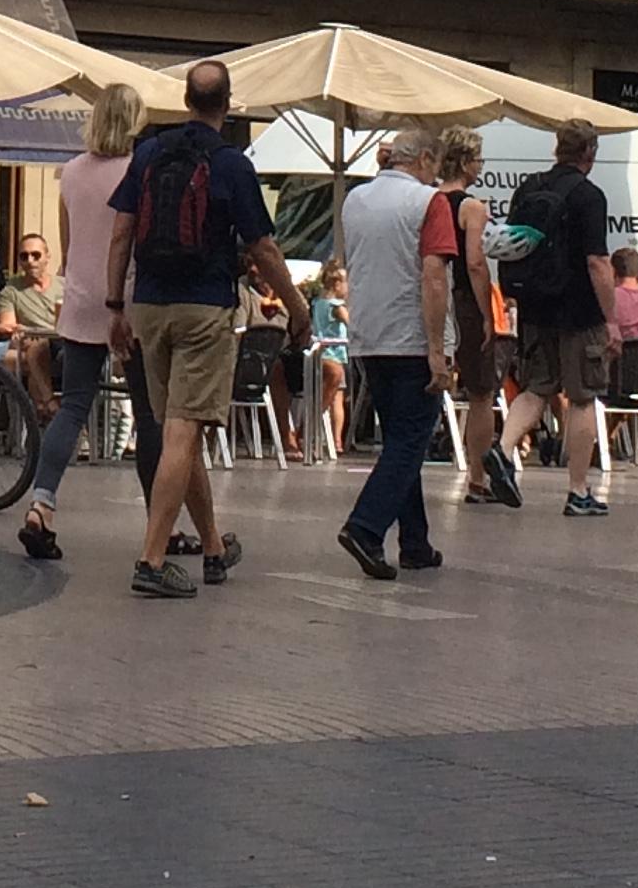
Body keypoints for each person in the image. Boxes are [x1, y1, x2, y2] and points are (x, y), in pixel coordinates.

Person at [106, 61, 307, 598]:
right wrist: (295, 305)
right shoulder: (232, 163)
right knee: (183, 431)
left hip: (148, 306)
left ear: (186, 99)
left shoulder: (148, 154)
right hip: (204, 309)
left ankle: (214, 546)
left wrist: (114, 306)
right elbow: (262, 247)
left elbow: (121, 231)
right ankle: (151, 560)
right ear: (228, 102)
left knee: (180, 428)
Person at [18, 82, 146, 561]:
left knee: (73, 407)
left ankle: (41, 503)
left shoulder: (69, 172)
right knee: (149, 414)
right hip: (127, 300)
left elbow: (67, 246)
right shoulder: (140, 170)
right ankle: (162, 522)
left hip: (80, 299)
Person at [334, 129, 456, 581]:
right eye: (435, 164)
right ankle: (365, 527)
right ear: (424, 158)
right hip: (411, 337)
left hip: (368, 335)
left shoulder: (355, 200)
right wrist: (437, 350)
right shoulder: (429, 202)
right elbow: (434, 277)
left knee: (399, 437)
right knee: (411, 441)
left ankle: (415, 542)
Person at [496, 119, 620, 519]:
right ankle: (578, 490)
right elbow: (598, 262)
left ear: (557, 148)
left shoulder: (529, 187)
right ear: (590, 153)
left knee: (536, 386)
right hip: (579, 310)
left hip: (534, 305)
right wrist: (611, 318)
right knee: (583, 395)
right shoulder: (589, 195)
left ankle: (501, 451)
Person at [435, 126, 513, 509]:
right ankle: (477, 478)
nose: (481, 166)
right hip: (463, 300)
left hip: (429, 298)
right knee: (482, 392)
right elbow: (475, 262)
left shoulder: (428, 200)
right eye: (479, 159)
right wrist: (486, 313)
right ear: (466, 163)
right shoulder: (473, 207)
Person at [0, 232, 61, 416]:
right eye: (24, 256)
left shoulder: (64, 286)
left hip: (63, 345)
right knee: (34, 349)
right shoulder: (10, 290)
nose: (30, 260)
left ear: (47, 257)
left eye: (36, 255)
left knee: (34, 353)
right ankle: (50, 408)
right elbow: (9, 326)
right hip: (32, 344)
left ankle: (42, 415)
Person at [310, 267, 350, 458]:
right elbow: (352, 325)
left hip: (319, 355)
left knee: (327, 394)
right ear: (337, 284)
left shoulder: (317, 303)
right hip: (334, 355)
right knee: (337, 400)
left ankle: (325, 436)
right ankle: (336, 440)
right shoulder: (337, 306)